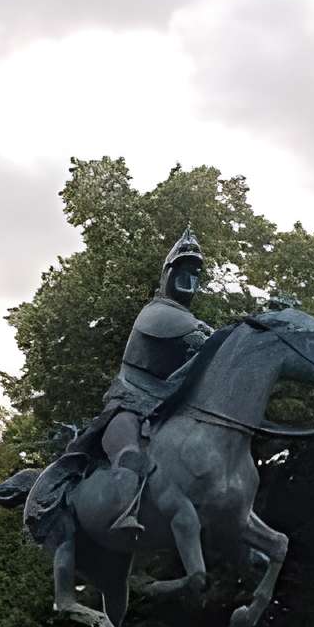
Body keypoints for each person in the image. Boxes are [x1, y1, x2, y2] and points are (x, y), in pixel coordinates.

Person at [99, 225, 215, 537]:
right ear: (168, 274)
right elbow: (207, 341)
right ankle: (123, 514)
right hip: (129, 403)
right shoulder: (157, 314)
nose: (190, 281)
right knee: (128, 453)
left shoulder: (189, 320)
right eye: (183, 272)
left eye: (195, 274)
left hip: (167, 405)